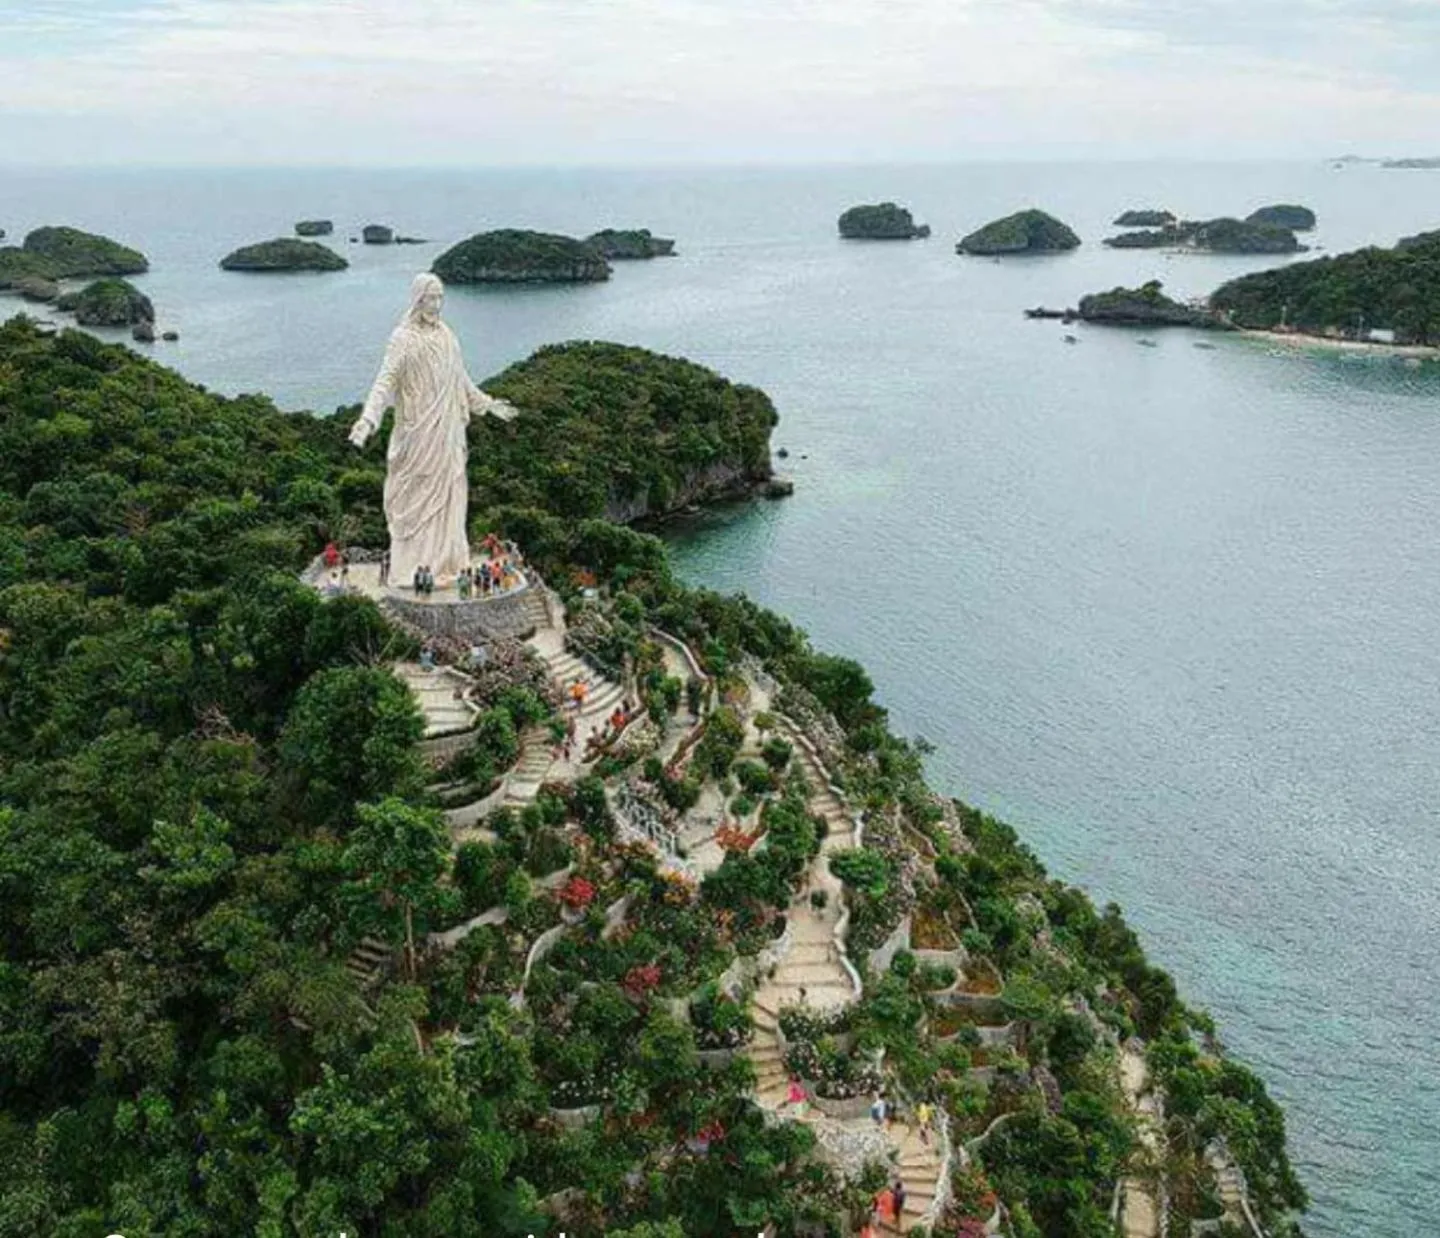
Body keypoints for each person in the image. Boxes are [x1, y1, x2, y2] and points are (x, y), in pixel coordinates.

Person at [347, 273, 519, 586]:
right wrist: (368, 419)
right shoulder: (402, 338)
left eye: (440, 298)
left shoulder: (447, 336)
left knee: (450, 496)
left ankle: (448, 562)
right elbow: (385, 382)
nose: (436, 305)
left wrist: (489, 404)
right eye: (430, 298)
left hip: (448, 432)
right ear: (417, 299)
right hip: (417, 434)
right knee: (415, 499)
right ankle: (414, 567)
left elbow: (460, 379)